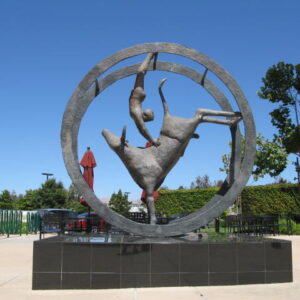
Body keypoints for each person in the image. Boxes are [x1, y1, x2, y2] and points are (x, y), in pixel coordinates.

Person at [129, 53, 160, 146]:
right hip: (137, 95)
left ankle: (151, 54)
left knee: (140, 72)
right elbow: (142, 128)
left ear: (145, 116)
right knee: (141, 73)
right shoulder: (137, 112)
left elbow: (142, 129)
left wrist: (152, 140)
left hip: (137, 95)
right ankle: (151, 55)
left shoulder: (137, 114)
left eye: (150, 112)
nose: (151, 110)